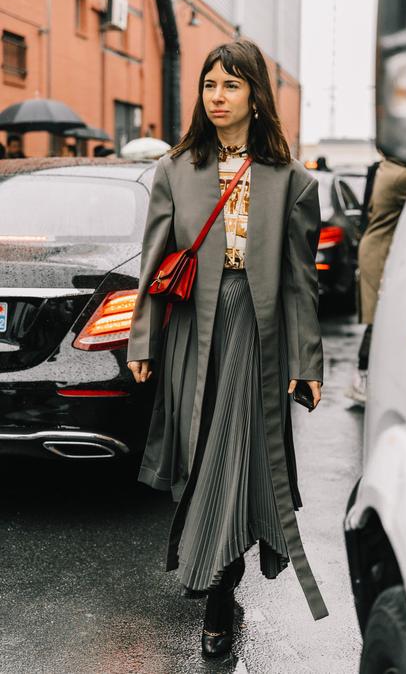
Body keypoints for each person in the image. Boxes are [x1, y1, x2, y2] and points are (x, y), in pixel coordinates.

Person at [127, 39, 327, 658]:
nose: (217, 97)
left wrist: (306, 362)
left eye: (231, 85)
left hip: (256, 333)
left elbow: (301, 281)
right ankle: (215, 568)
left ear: (255, 95)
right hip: (193, 328)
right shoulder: (175, 170)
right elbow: (156, 261)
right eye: (210, 85)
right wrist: (144, 337)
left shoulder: (291, 181)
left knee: (236, 454)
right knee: (199, 451)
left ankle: (215, 589)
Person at [348, 155, 406, 403]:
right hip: (380, 252)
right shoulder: (403, 177)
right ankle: (361, 378)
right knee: (377, 318)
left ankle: (367, 377)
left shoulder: (387, 168)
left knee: (380, 317)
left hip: (376, 248)